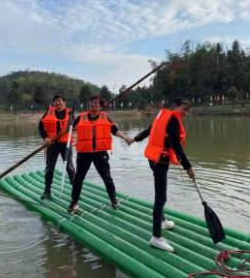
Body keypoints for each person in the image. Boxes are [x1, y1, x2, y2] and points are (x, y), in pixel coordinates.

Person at [128, 97, 195, 252]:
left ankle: (162, 221)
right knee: (161, 198)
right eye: (184, 109)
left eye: (188, 110)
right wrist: (188, 167)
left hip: (153, 158)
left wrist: (135, 139)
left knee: (160, 195)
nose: (186, 113)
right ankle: (156, 237)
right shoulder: (171, 118)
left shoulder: (162, 115)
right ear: (175, 106)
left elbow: (148, 130)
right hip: (160, 160)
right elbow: (177, 147)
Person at [68, 95, 131, 214]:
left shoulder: (105, 117)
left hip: (100, 153)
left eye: (96, 103)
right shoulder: (81, 117)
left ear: (100, 106)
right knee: (78, 179)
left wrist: (125, 138)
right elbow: (69, 127)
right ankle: (74, 202)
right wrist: (70, 118)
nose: (93, 105)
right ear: (89, 105)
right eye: (91, 103)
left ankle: (113, 200)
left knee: (107, 177)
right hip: (84, 153)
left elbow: (115, 130)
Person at [39, 95, 75, 200]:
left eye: (60, 101)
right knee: (49, 168)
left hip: (66, 144)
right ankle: (47, 191)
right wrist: (45, 137)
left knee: (70, 167)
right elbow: (41, 127)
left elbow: (76, 126)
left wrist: (73, 124)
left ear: (64, 102)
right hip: (52, 144)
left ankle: (75, 191)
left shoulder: (71, 114)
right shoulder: (48, 113)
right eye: (55, 101)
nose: (58, 103)